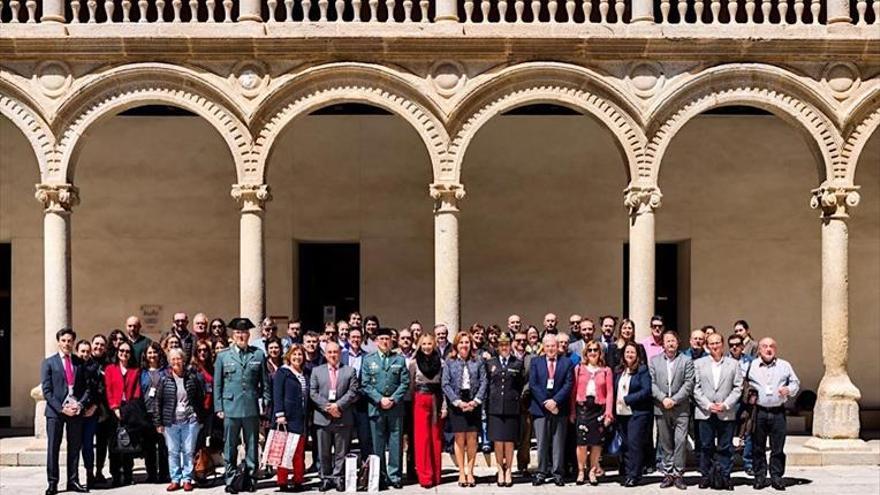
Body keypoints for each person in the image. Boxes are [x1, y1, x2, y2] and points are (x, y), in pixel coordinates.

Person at [214, 317, 270, 494]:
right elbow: (217, 384)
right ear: (233, 334)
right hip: (230, 407)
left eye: (244, 333)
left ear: (248, 335)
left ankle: (251, 478)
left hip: (251, 407)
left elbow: (265, 383)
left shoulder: (258, 355)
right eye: (238, 332)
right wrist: (218, 407)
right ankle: (230, 479)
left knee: (252, 444)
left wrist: (266, 401)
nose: (241, 335)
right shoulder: (223, 356)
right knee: (230, 446)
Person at [41, 328, 90, 495]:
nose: (67, 344)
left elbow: (86, 389)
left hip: (75, 412)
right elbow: (47, 391)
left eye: (70, 341)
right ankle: (53, 483)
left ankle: (73, 481)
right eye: (64, 340)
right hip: (55, 413)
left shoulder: (79, 363)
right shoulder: (49, 363)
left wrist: (80, 406)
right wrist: (62, 409)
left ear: (73, 343)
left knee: (75, 447)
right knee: (53, 448)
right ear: (59, 342)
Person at [360, 327, 410, 490]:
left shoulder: (400, 360)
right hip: (376, 407)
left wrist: (393, 399)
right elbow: (365, 384)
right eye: (381, 339)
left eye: (387, 339)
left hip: (395, 408)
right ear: (376, 342)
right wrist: (380, 399)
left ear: (392, 341)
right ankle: (379, 475)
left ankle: (394, 476)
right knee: (377, 444)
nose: (384, 341)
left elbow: (405, 383)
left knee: (396, 443)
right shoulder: (368, 360)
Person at [747, 337, 800, 491]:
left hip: (778, 412)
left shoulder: (784, 365)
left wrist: (789, 390)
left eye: (771, 346)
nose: (768, 349)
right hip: (759, 411)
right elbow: (744, 383)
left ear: (775, 349)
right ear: (759, 350)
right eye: (765, 346)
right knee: (758, 447)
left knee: (778, 447)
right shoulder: (752, 365)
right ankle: (760, 476)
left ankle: (776, 477)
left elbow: (795, 382)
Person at [693, 332, 743, 490]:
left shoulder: (733, 364)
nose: (714, 346)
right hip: (705, 411)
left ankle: (725, 477)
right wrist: (708, 405)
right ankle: (706, 476)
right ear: (707, 346)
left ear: (722, 344)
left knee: (725, 446)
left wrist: (726, 405)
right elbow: (695, 388)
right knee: (706, 446)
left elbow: (738, 387)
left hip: (725, 411)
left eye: (717, 343)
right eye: (711, 343)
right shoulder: (699, 364)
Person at [153, 348, 205, 492]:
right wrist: (158, 422)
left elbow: (200, 398)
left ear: (184, 360)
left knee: (188, 451)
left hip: (190, 420)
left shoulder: (192, 378)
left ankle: (187, 479)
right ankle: (175, 479)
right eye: (173, 359)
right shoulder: (164, 379)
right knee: (173, 451)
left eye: (179, 358)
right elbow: (158, 402)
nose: (176, 362)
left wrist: (199, 417)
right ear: (170, 362)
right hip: (171, 421)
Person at [310, 342, 360, 492]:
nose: (333, 355)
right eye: (330, 352)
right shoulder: (316, 371)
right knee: (323, 452)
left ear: (340, 354)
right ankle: (325, 478)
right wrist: (328, 407)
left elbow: (353, 391)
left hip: (343, 417)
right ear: (325, 354)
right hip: (322, 418)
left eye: (335, 352)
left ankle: (338, 478)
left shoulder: (350, 371)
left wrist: (337, 406)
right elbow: (313, 392)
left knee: (341, 452)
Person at [649, 330, 695, 490]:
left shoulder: (686, 360)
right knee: (666, 442)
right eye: (667, 341)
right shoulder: (654, 361)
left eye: (673, 341)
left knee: (680, 441)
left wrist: (674, 399)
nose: (670, 343)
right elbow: (652, 383)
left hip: (681, 408)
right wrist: (663, 399)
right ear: (663, 343)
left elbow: (689, 383)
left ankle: (678, 474)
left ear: (678, 342)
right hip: (661, 407)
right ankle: (668, 473)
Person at [442, 331, 487, 488]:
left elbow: (484, 382)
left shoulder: (478, 361)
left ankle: (471, 472)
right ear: (456, 345)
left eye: (467, 342)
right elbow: (445, 384)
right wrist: (457, 402)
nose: (464, 345)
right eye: (461, 342)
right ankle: (462, 472)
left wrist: (475, 401)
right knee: (460, 439)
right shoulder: (449, 361)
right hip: (457, 403)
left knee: (472, 439)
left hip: (473, 401)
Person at [528, 334, 574, 487]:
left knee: (558, 443)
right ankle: (541, 472)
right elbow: (533, 384)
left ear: (557, 347)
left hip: (559, 408)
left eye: (553, 346)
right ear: (543, 347)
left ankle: (558, 473)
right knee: (541, 443)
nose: (551, 349)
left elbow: (568, 385)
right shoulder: (536, 362)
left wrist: (555, 401)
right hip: (540, 409)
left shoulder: (566, 363)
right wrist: (545, 402)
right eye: (547, 346)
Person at [570, 341, 614, 486]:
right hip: (583, 409)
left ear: (600, 353)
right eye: (590, 350)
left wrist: (608, 413)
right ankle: (581, 470)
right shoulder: (578, 369)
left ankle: (593, 470)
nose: (593, 353)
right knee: (581, 443)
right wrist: (572, 411)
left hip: (598, 409)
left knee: (596, 443)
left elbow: (609, 393)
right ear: (586, 353)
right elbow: (573, 391)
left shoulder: (606, 370)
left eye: (596, 350)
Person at [485, 333, 524, 487]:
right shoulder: (490, 363)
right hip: (495, 406)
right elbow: (488, 384)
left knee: (509, 441)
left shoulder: (517, 363)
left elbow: (520, 384)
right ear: (498, 347)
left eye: (506, 344)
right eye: (501, 345)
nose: (504, 347)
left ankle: (509, 470)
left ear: (510, 346)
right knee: (498, 442)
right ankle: (500, 469)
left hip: (511, 407)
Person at [408, 333, 446, 488]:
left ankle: (437, 475)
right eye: (423, 344)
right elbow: (411, 386)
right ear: (419, 345)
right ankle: (425, 477)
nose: (427, 347)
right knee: (422, 440)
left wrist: (444, 407)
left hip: (436, 399)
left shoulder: (442, 363)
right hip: (420, 399)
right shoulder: (413, 363)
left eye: (429, 344)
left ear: (434, 344)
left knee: (436, 439)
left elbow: (444, 386)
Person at [613, 341, 653, 487]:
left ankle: (634, 475)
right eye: (627, 352)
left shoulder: (642, 370)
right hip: (621, 413)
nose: (629, 355)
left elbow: (646, 390)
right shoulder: (619, 370)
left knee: (635, 445)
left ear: (637, 355)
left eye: (632, 352)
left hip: (637, 413)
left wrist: (628, 399)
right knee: (626, 445)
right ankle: (629, 472)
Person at [104, 339, 143, 487]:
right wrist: (114, 407)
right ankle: (115, 475)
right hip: (113, 410)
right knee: (114, 444)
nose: (124, 354)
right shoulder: (110, 369)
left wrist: (128, 409)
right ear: (117, 353)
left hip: (130, 410)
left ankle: (128, 474)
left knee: (128, 443)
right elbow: (108, 389)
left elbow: (137, 391)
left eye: (127, 352)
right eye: (121, 351)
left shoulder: (135, 370)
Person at [272, 344, 309, 492]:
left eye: (300, 354)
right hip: (286, 417)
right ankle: (282, 481)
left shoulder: (305, 373)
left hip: (301, 417)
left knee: (299, 452)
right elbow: (277, 394)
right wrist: (279, 413)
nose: (297, 357)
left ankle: (298, 479)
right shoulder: (283, 372)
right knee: (285, 451)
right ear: (289, 356)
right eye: (294, 354)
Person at [140, 342, 170, 484]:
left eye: (155, 352)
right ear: (145, 355)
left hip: (163, 414)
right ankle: (151, 474)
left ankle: (165, 474)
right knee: (149, 447)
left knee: (163, 445)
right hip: (147, 413)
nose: (152, 355)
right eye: (149, 353)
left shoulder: (166, 371)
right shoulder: (142, 373)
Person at [341, 327, 373, 462]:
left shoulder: (368, 357)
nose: (355, 340)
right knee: (344, 440)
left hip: (362, 403)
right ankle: (344, 472)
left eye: (358, 337)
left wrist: (359, 394)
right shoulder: (341, 356)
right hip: (345, 404)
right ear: (348, 339)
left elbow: (371, 379)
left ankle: (366, 469)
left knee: (365, 438)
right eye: (353, 337)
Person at [190, 339, 218, 486]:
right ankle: (195, 473)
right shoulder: (193, 369)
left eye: (205, 350)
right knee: (195, 443)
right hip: (197, 411)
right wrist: (195, 411)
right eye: (200, 350)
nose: (202, 353)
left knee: (204, 443)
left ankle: (202, 470)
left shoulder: (211, 368)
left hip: (209, 411)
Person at [75, 339, 101, 489]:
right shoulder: (72, 367)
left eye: (87, 351)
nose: (85, 354)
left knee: (88, 445)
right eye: (82, 351)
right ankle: (74, 477)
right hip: (75, 413)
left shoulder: (95, 367)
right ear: (77, 351)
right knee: (75, 446)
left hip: (91, 412)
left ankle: (90, 474)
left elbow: (99, 389)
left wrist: (94, 407)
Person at [89, 334, 113, 487]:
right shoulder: (85, 361)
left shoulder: (108, 364)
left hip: (104, 410)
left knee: (102, 443)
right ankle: (88, 473)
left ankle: (99, 471)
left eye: (102, 345)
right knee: (87, 444)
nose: (99, 347)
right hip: (87, 409)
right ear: (92, 345)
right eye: (96, 344)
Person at [512, 329, 533, 476]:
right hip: (509, 401)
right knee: (509, 435)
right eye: (518, 340)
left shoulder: (532, 358)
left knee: (525, 436)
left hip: (526, 401)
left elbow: (533, 378)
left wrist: (524, 392)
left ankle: (523, 465)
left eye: (523, 341)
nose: (521, 343)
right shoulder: (507, 357)